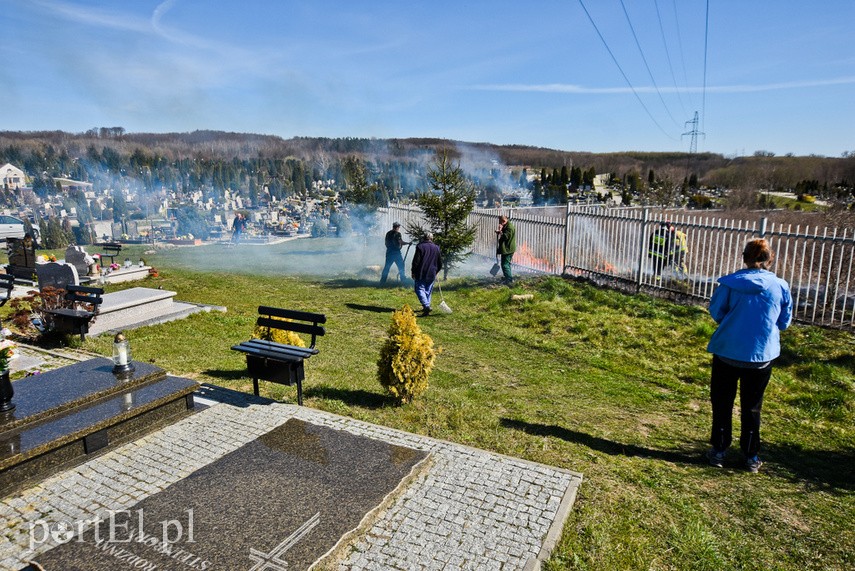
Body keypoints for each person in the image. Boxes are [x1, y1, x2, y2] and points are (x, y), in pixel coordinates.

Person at [705, 239, 792, 473]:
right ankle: (751, 456)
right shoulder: (780, 286)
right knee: (752, 407)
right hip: (761, 355)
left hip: (727, 351)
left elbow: (716, 311)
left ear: (744, 257)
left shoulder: (730, 284)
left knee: (722, 402)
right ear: (769, 259)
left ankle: (719, 451)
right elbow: (784, 322)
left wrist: (734, 324)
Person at [411, 233, 442, 315]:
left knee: (419, 289)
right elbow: (440, 263)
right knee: (428, 290)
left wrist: (413, 271)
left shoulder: (420, 246)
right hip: (432, 272)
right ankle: (426, 308)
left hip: (421, 271)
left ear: (424, 238)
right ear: (432, 239)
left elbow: (416, 261)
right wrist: (437, 270)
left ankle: (426, 305)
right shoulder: (436, 248)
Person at [495, 215, 516, 285]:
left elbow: (505, 236)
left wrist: (500, 231)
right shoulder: (507, 225)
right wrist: (500, 230)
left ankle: (509, 280)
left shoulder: (510, 227)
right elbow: (504, 233)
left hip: (508, 249)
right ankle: (507, 277)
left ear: (504, 221)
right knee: (506, 264)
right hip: (507, 248)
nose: (500, 223)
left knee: (505, 265)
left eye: (500, 222)